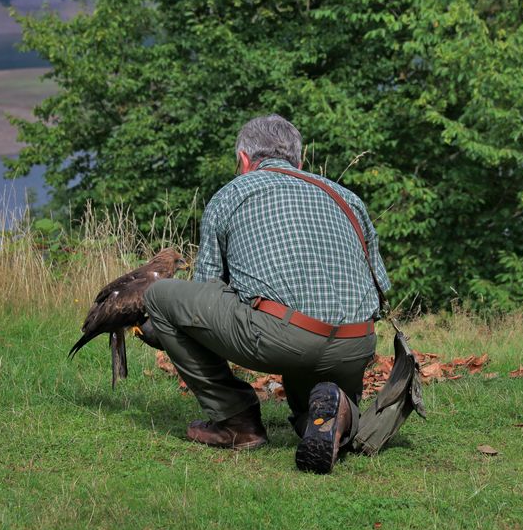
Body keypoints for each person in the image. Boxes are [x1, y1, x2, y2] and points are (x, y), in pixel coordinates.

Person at [142, 114, 390, 473]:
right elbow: (379, 289)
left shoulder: (232, 194)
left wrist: (162, 330)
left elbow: (208, 286)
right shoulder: (346, 197)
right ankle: (337, 412)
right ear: (299, 162)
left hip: (282, 337)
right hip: (355, 342)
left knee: (161, 295)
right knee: (313, 413)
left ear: (244, 160)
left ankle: (236, 422)